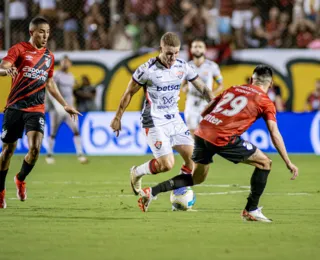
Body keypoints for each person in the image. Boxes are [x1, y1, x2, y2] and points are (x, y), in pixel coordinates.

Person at [138, 65, 299, 222]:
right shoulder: (266, 101)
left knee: (197, 178)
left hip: (202, 131)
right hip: (222, 136)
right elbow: (274, 132)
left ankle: (151, 192)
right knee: (265, 163)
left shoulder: (234, 88)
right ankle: (251, 210)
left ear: (251, 79)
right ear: (270, 84)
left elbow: (205, 111)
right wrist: (288, 161)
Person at [110, 32, 214, 196]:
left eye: (176, 53)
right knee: (166, 165)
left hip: (174, 119)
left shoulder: (182, 66)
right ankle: (137, 172)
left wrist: (215, 105)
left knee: (193, 161)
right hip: (154, 120)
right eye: (169, 53)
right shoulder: (147, 69)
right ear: (161, 49)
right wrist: (117, 117)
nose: (172, 58)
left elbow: (203, 88)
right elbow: (129, 92)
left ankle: (179, 194)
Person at [0, 17, 81, 209]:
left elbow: (49, 82)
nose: (45, 36)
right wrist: (5, 71)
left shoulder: (49, 57)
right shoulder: (19, 49)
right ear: (32, 32)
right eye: (41, 32)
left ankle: (20, 178)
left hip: (36, 109)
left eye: (47, 31)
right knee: (8, 151)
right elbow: (4, 67)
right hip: (14, 107)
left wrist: (64, 104)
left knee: (35, 149)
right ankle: (1, 190)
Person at [45, 56, 88, 164]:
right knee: (53, 131)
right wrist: (55, 105)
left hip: (69, 108)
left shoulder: (71, 76)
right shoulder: (56, 75)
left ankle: (80, 154)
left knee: (76, 129)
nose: (65, 64)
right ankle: (49, 154)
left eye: (67, 62)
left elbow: (71, 94)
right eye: (63, 62)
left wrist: (73, 106)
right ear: (61, 63)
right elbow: (50, 90)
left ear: (70, 64)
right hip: (57, 108)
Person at [183, 39, 223, 137]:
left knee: (205, 130)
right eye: (195, 47)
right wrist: (185, 89)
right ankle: (195, 151)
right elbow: (183, 85)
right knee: (192, 129)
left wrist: (211, 94)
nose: (197, 49)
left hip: (206, 103)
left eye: (200, 47)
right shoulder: (187, 66)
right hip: (192, 101)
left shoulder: (212, 66)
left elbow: (220, 85)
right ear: (191, 50)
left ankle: (204, 151)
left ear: (204, 50)